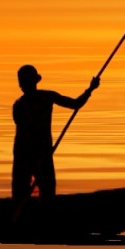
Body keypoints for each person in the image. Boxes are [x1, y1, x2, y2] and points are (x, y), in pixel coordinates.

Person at [11, 63, 98, 207]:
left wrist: (90, 89)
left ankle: (34, 213)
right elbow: (76, 104)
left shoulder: (25, 103)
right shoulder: (25, 103)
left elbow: (75, 104)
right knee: (30, 195)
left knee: (39, 194)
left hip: (34, 153)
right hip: (29, 154)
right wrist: (90, 89)